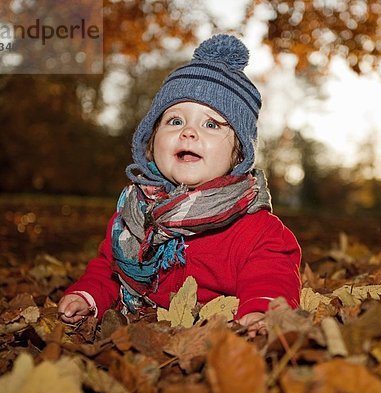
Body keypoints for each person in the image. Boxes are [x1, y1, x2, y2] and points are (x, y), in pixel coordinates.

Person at [58, 34, 301, 336]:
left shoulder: (255, 229)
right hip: (138, 346)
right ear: (151, 139)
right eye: (174, 121)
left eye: (211, 124)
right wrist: (88, 296)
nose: (188, 132)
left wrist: (262, 312)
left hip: (211, 343)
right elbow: (109, 269)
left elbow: (272, 274)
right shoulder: (135, 216)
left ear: (239, 153)